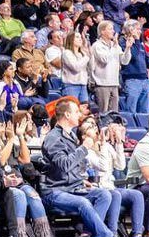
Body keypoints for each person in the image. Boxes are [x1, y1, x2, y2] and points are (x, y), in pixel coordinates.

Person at [40, 99, 117, 237]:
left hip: (73, 188)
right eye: (76, 112)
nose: (79, 115)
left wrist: (81, 180)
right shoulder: (53, 138)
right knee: (83, 203)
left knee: (104, 194)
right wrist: (84, 147)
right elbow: (64, 165)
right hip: (54, 191)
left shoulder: (71, 135)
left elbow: (75, 167)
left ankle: (87, 233)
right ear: (67, 115)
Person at [91, 20, 131, 112]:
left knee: (114, 113)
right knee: (103, 112)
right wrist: (114, 47)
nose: (113, 31)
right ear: (102, 31)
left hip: (114, 83)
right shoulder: (97, 45)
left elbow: (124, 61)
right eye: (110, 29)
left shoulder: (115, 45)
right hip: (102, 84)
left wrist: (128, 48)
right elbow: (105, 59)